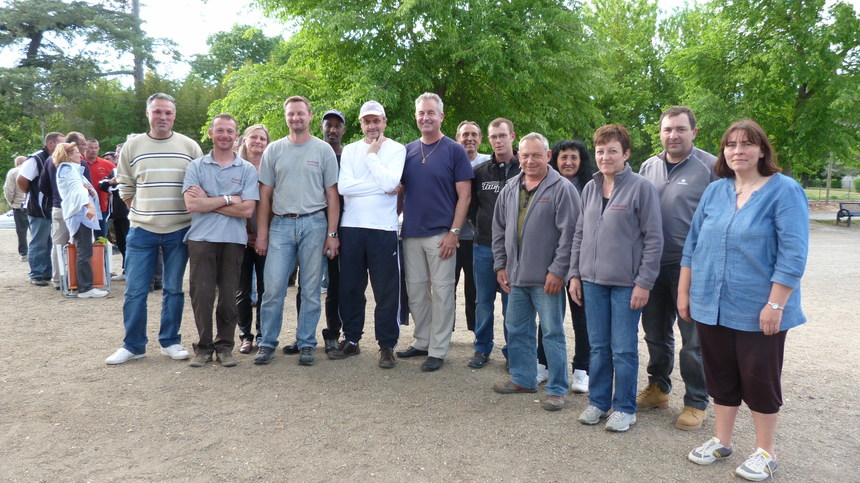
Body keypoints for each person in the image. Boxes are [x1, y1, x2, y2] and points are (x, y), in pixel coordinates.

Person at [682, 120, 808, 482]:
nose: (738, 150)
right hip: (710, 302)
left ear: (762, 150)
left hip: (759, 308)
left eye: (747, 144)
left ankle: (766, 452)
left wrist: (776, 304)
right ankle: (722, 441)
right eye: (731, 144)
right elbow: (692, 244)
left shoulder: (784, 191)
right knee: (720, 375)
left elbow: (793, 254)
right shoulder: (716, 190)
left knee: (759, 378)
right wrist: (684, 292)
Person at [569, 124, 663, 432]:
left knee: (623, 349)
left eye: (612, 151)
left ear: (626, 154)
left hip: (626, 285)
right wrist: (574, 274)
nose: (605, 157)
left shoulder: (641, 188)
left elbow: (654, 239)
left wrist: (644, 282)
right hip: (592, 282)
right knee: (598, 346)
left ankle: (624, 407)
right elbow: (579, 234)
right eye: (600, 151)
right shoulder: (590, 187)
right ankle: (598, 402)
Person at [105, 92, 203, 365]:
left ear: (174, 115)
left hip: (179, 229)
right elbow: (125, 184)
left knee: (173, 289)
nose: (163, 117)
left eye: (168, 112)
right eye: (157, 111)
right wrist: (141, 211)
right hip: (142, 230)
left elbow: (199, 183)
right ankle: (133, 345)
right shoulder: (133, 146)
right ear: (148, 114)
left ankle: (170, 341)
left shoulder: (189, 146)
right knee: (135, 291)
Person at [637, 106, 717, 430]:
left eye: (680, 129)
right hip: (652, 266)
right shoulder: (648, 166)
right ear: (660, 133)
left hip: (692, 268)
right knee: (655, 334)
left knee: (694, 341)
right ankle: (659, 388)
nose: (673, 135)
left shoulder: (711, 167)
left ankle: (696, 401)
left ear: (693, 132)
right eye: (667, 129)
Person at [490, 132, 579, 411]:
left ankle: (557, 389)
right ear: (519, 156)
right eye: (525, 155)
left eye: (536, 155)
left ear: (548, 156)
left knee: (552, 333)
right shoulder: (510, 188)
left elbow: (570, 235)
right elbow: (499, 230)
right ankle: (523, 378)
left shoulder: (562, 189)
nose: (530, 160)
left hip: (547, 279)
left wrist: (558, 271)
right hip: (515, 277)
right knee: (517, 329)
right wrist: (500, 265)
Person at [252, 95, 340, 367]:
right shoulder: (274, 150)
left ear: (310, 116)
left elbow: (332, 195)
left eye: (300, 113)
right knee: (273, 289)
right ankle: (267, 342)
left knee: (311, 289)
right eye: (291, 114)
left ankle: (306, 343)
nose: (296, 118)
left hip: (315, 223)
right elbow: (264, 195)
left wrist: (332, 234)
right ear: (286, 117)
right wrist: (262, 233)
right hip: (281, 224)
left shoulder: (323, 150)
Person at [395, 92, 473, 372]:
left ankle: (438, 349)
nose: (425, 118)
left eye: (431, 113)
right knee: (416, 292)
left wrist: (454, 232)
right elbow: (400, 192)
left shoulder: (454, 150)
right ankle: (422, 340)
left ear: (441, 116)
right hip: (411, 233)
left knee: (442, 293)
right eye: (421, 113)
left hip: (441, 235)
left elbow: (465, 196)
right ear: (415, 117)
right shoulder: (406, 151)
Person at [330, 100, 406, 368]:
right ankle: (351, 339)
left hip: (383, 229)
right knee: (351, 287)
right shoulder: (351, 150)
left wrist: (372, 156)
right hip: (352, 227)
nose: (372, 125)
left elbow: (391, 182)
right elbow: (344, 188)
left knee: (386, 290)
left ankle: (387, 344)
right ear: (361, 124)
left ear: (384, 122)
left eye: (376, 120)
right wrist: (381, 186)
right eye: (367, 121)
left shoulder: (396, 149)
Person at [183, 114, 259, 368]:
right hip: (201, 239)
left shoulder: (246, 169)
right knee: (201, 295)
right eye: (220, 130)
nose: (225, 135)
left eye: (229, 131)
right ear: (211, 133)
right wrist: (228, 199)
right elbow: (192, 204)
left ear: (236, 136)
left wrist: (209, 200)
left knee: (228, 296)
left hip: (233, 240)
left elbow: (247, 210)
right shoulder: (196, 166)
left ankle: (225, 346)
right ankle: (204, 347)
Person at [284, 109, 347, 355]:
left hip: (340, 228)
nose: (332, 129)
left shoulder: (349, 157)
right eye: (328, 125)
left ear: (343, 129)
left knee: (336, 285)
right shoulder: (311, 152)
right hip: (311, 225)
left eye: (337, 125)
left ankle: (333, 334)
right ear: (321, 127)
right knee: (306, 285)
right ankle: (303, 335)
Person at [467, 118, 520, 369]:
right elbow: (472, 207)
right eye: (494, 137)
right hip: (484, 246)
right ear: (488, 140)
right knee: (483, 301)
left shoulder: (524, 169)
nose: (498, 141)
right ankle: (482, 347)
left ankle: (512, 351)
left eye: (502, 136)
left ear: (512, 136)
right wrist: (479, 229)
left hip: (515, 250)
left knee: (512, 303)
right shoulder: (480, 172)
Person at [543, 140, 594, 393]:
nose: (568, 162)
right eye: (563, 157)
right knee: (548, 318)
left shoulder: (591, 187)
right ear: (555, 160)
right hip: (552, 261)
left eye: (574, 157)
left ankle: (582, 369)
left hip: (581, 263)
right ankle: (543, 363)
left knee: (581, 320)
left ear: (581, 161)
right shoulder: (547, 185)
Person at [53, 142, 107, 298]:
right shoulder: (69, 169)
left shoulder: (69, 169)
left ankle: (83, 285)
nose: (80, 155)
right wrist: (89, 205)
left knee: (83, 250)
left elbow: (80, 189)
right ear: (69, 155)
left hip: (77, 214)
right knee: (84, 251)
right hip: (79, 214)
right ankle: (85, 288)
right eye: (77, 152)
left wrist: (89, 191)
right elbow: (77, 191)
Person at [236, 124, 270, 354]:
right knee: (242, 290)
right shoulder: (236, 168)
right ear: (244, 140)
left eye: (262, 139)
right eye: (254, 137)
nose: (258, 141)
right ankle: (245, 336)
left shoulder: (271, 169)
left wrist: (264, 233)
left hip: (266, 236)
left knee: (266, 289)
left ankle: (263, 335)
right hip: (240, 236)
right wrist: (246, 232)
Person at [451, 121, 487, 334]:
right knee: (448, 287)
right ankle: (445, 331)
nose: (469, 139)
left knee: (475, 289)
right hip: (452, 237)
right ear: (458, 138)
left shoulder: (488, 163)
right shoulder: (450, 161)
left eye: (474, 134)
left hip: (477, 239)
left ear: (481, 139)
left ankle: (476, 332)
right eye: (465, 135)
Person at [18, 132, 65, 286]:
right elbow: (22, 180)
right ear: (51, 143)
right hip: (38, 208)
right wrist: (32, 194)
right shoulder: (36, 159)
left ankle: (46, 272)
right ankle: (36, 274)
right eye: (61, 143)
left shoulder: (58, 158)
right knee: (39, 241)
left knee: (50, 241)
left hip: (52, 207)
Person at [83, 137, 116, 239]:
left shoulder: (107, 165)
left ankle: (102, 250)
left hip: (102, 206)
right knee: (83, 238)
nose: (93, 150)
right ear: (84, 147)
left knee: (101, 238)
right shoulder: (78, 162)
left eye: (96, 148)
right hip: (83, 206)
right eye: (90, 147)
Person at [5, 156, 29, 262]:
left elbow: (9, 190)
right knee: (36, 230)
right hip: (33, 205)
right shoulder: (32, 170)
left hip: (19, 206)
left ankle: (24, 253)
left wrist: (11, 202)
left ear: (16, 163)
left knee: (21, 231)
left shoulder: (13, 172)